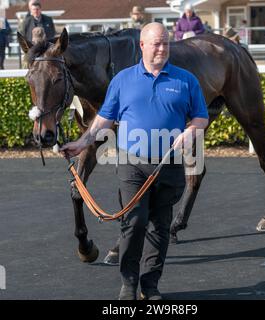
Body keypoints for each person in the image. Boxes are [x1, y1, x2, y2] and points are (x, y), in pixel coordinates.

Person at [60, 22, 209, 300]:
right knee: (134, 222)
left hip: (169, 164)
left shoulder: (185, 80)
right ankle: (128, 284)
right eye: (156, 43)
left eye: (166, 43)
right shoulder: (123, 80)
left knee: (159, 226)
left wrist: (191, 132)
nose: (163, 48)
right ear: (142, 46)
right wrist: (81, 143)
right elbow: (103, 120)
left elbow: (201, 117)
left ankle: (150, 286)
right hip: (132, 164)